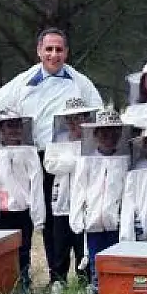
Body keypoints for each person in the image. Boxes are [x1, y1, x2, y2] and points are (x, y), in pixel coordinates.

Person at [0, 28, 104, 289]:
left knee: (81, 215)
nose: (54, 55)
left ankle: (86, 274)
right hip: (41, 160)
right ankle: (57, 277)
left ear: (67, 52)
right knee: (52, 222)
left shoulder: (81, 82)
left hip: (78, 160)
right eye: (49, 49)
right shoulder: (24, 82)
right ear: (39, 51)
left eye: (59, 49)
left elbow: (97, 114)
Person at [0, 109, 45, 293]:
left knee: (24, 251)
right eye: (9, 125)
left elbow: (36, 183)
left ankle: (24, 285)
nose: (14, 130)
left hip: (23, 211)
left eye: (17, 125)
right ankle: (4, 287)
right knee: (2, 251)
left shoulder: (30, 152)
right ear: (0, 129)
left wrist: (38, 216)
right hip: (1, 212)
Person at [70, 110, 133, 293]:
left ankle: (116, 292)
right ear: (95, 134)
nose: (108, 137)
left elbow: (128, 194)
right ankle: (97, 293)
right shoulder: (86, 161)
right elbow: (79, 190)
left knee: (116, 259)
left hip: (116, 222)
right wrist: (77, 218)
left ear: (120, 135)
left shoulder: (125, 161)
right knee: (95, 259)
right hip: (93, 222)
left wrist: (125, 219)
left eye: (113, 133)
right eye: (104, 133)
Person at [42, 97, 97, 284]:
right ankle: (58, 281)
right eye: (71, 119)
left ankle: (84, 283)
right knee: (60, 246)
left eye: (79, 118)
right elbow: (50, 165)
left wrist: (67, 163)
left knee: (83, 247)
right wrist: (77, 162)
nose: (75, 123)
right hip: (62, 202)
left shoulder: (94, 142)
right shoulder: (57, 141)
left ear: (88, 118)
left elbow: (94, 168)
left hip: (85, 204)